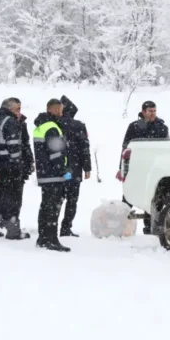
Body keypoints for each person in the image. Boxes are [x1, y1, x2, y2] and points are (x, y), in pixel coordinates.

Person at [0, 97, 31, 240]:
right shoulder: (10, 122)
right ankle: (13, 231)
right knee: (13, 199)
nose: (19, 112)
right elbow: (15, 148)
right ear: (10, 109)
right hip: (10, 167)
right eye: (18, 109)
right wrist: (19, 167)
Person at [120, 100, 169, 234]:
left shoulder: (162, 127)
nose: (153, 114)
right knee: (128, 197)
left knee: (153, 198)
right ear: (143, 112)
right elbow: (125, 148)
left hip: (154, 168)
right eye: (150, 111)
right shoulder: (134, 127)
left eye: (154, 111)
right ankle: (122, 225)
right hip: (136, 167)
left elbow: (166, 149)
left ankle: (150, 227)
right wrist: (121, 168)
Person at [32, 99, 72, 252]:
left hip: (44, 173)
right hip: (54, 175)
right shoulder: (52, 127)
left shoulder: (41, 126)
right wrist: (63, 170)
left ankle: (43, 238)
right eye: (61, 110)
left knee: (45, 206)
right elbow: (56, 152)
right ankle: (51, 239)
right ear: (55, 110)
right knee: (53, 208)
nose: (62, 113)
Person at [58, 95, 92, 237]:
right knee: (72, 200)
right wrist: (87, 167)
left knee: (56, 200)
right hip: (74, 168)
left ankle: (50, 226)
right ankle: (66, 227)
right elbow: (84, 147)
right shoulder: (78, 125)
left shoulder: (54, 123)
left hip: (57, 168)